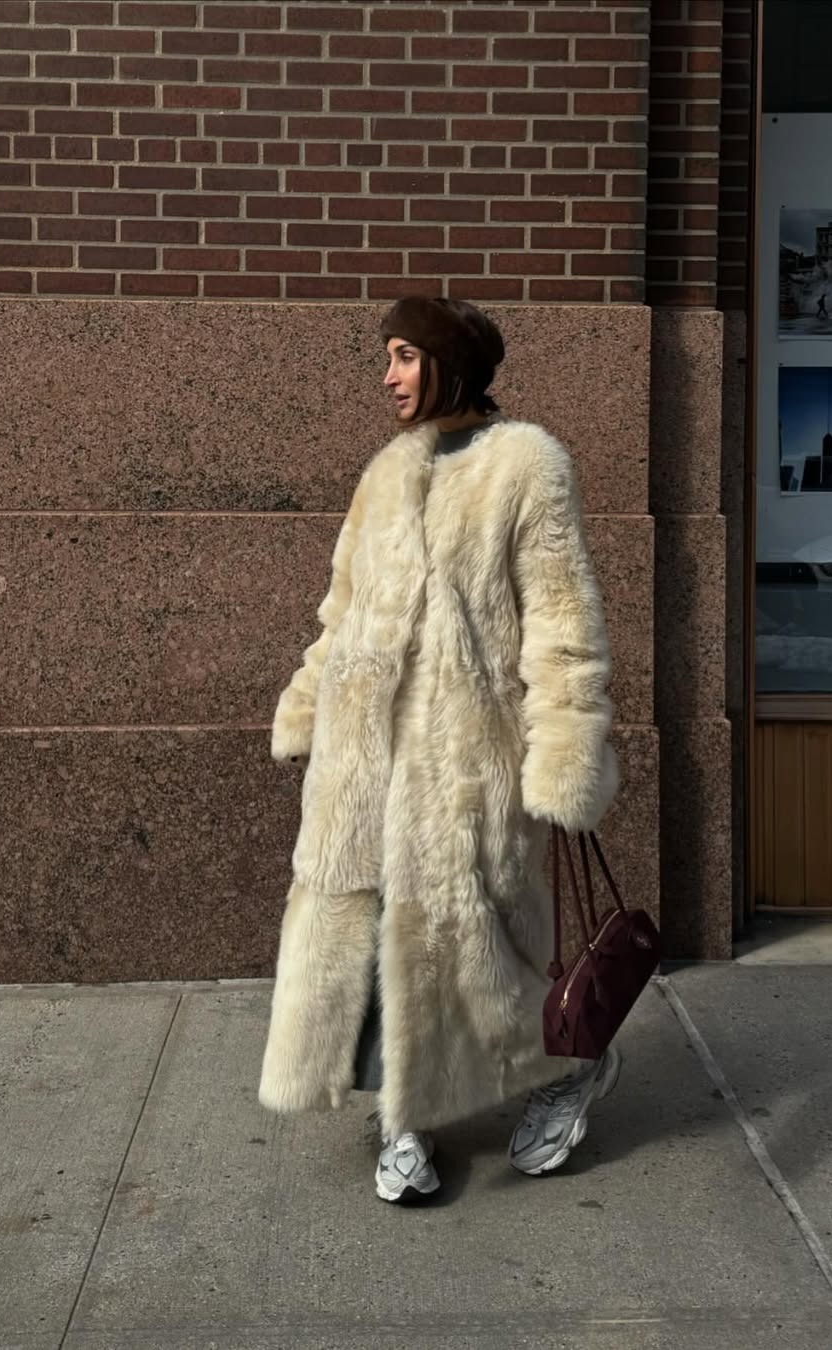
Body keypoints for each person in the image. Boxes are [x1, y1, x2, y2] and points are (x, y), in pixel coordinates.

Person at [258, 296, 621, 1203]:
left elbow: (562, 619)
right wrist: (307, 702)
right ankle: (405, 1121)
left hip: (467, 754)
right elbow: (341, 612)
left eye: (405, 356)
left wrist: (565, 747)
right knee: (378, 934)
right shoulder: (385, 473)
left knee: (479, 941)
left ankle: (572, 1067)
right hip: (365, 754)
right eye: (388, 357)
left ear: (451, 364)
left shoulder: (526, 464)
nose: (388, 375)